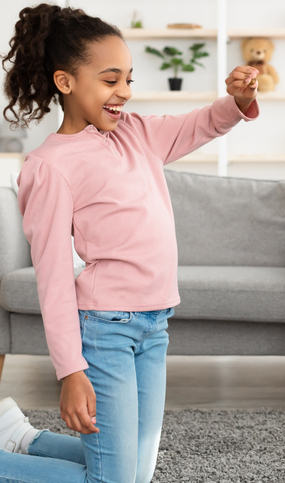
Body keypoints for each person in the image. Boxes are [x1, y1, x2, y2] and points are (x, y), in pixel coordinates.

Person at [0, 4, 259, 482]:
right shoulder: (50, 166)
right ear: (66, 82)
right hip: (106, 329)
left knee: (133, 473)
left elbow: (199, 124)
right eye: (110, 79)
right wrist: (70, 372)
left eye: (129, 80)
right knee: (114, 480)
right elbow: (54, 278)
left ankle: (23, 439)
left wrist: (237, 100)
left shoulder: (136, 133)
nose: (124, 92)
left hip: (155, 325)